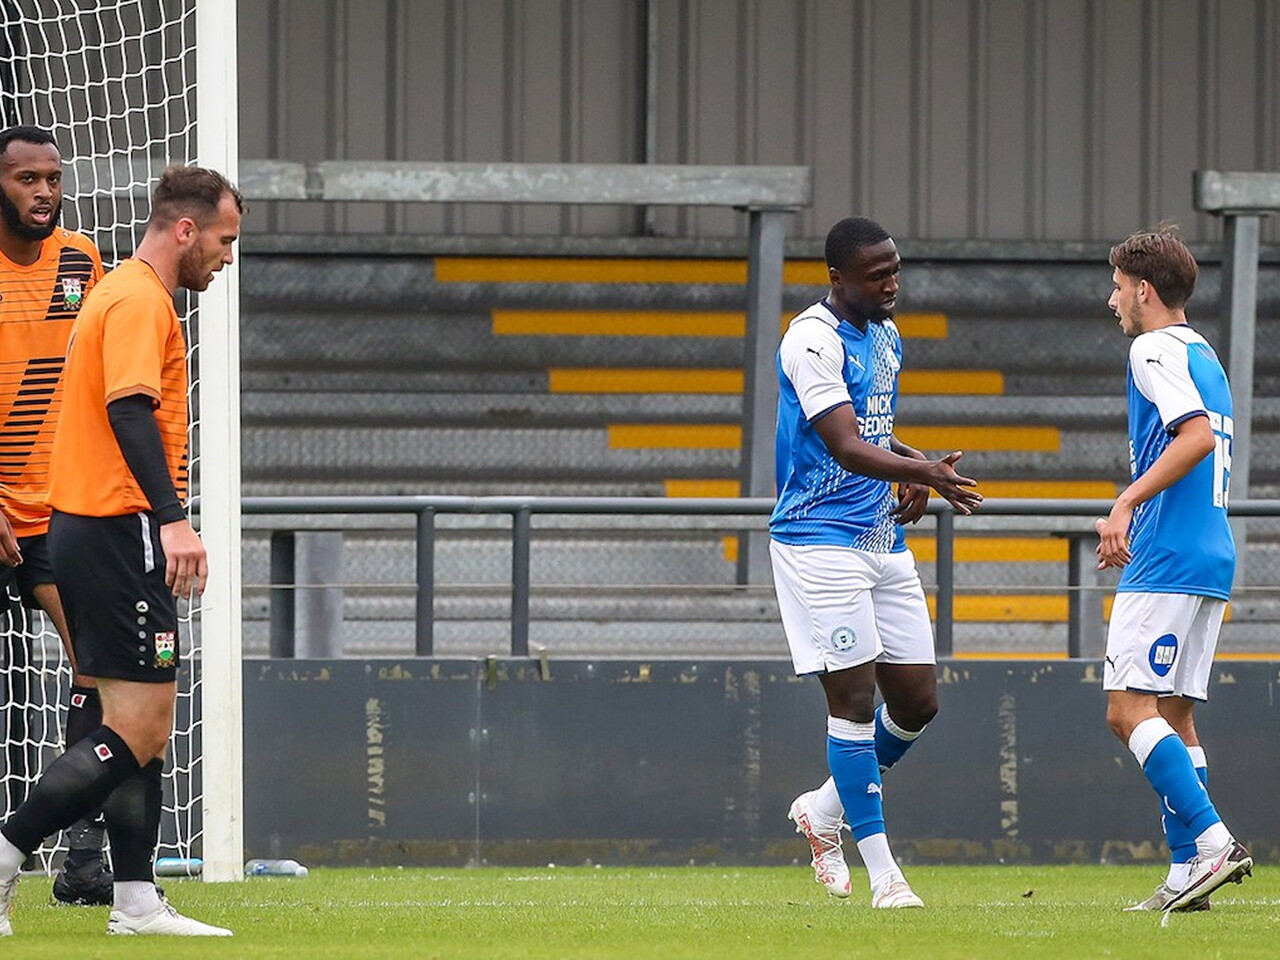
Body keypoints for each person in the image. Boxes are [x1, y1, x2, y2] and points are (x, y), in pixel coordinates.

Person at [0, 164, 241, 937]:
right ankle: (7, 850)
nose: (227, 257)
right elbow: (129, 407)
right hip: (118, 528)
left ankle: (135, 898)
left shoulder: (113, 290)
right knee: (136, 728)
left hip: (85, 526)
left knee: (140, 723)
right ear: (185, 230)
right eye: (225, 240)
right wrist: (172, 519)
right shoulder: (139, 299)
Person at [770, 216, 982, 908]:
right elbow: (842, 444)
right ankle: (885, 876)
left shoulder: (886, 336)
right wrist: (921, 470)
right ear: (837, 278)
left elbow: (874, 433)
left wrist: (914, 464)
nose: (892, 283)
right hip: (817, 540)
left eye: (895, 269)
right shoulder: (811, 339)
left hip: (879, 537)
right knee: (854, 701)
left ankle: (823, 810)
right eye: (877, 274)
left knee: (917, 703)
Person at [1097, 226, 1251, 914]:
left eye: (1118, 288)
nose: (1113, 301)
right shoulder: (1203, 352)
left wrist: (1125, 502)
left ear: (1144, 290)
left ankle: (1213, 843)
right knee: (1175, 715)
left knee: (1127, 710)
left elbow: (1193, 436)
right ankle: (1188, 872)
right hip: (1210, 554)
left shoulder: (1152, 348)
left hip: (1165, 556)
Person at [0, 125, 116, 905]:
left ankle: (82, 858)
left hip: (58, 513)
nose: (44, 191)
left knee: (99, 672)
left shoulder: (82, 262)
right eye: (26, 179)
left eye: (53, 177)